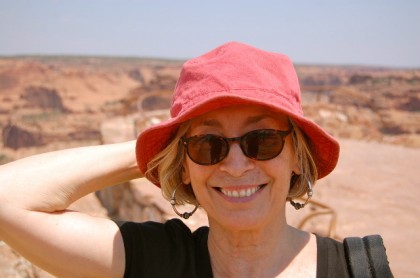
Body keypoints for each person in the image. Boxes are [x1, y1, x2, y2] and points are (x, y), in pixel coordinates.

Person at [0, 41, 352, 277]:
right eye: (207, 145)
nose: (235, 164)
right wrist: (159, 151)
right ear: (182, 166)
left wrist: (187, 148)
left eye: (262, 141)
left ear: (297, 156)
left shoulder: (356, 269)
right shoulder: (153, 262)